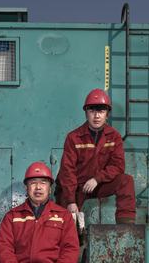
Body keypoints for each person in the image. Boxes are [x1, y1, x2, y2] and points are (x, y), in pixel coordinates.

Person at [56, 88, 136, 224]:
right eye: (92, 111)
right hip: (75, 187)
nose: (97, 116)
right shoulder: (74, 137)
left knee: (126, 181)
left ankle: (126, 227)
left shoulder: (114, 137)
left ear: (107, 114)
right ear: (86, 113)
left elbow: (118, 166)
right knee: (68, 223)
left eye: (101, 111)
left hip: (97, 184)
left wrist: (97, 179)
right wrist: (70, 201)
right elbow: (67, 170)